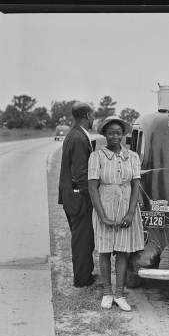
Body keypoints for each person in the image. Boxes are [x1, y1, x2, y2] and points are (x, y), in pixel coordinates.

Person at [87, 115, 145, 311]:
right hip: (105, 205)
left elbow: (136, 185)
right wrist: (102, 215)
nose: (114, 136)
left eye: (118, 133)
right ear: (104, 134)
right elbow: (93, 188)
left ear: (123, 135)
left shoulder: (133, 157)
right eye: (110, 133)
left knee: (122, 251)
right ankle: (107, 292)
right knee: (104, 250)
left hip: (126, 207)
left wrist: (130, 213)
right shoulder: (97, 157)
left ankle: (120, 294)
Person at [58, 102, 96, 287]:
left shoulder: (73, 134)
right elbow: (81, 173)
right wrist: (91, 197)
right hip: (79, 198)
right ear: (87, 116)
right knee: (82, 239)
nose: (94, 118)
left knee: (82, 237)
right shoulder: (79, 138)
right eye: (93, 115)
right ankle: (82, 279)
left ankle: (85, 274)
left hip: (71, 196)